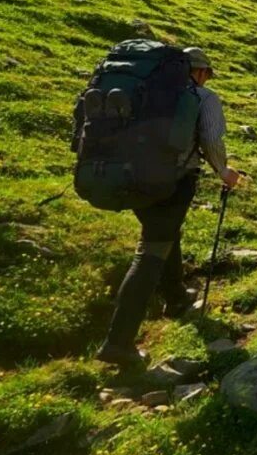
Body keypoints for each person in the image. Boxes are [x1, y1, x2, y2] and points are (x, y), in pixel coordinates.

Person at [96, 47, 240, 367]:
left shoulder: (142, 89)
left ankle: (175, 298)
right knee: (150, 251)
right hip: (171, 182)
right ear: (200, 71)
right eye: (206, 73)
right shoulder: (202, 97)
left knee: (162, 231)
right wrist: (224, 171)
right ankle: (117, 342)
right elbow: (212, 140)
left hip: (126, 176)